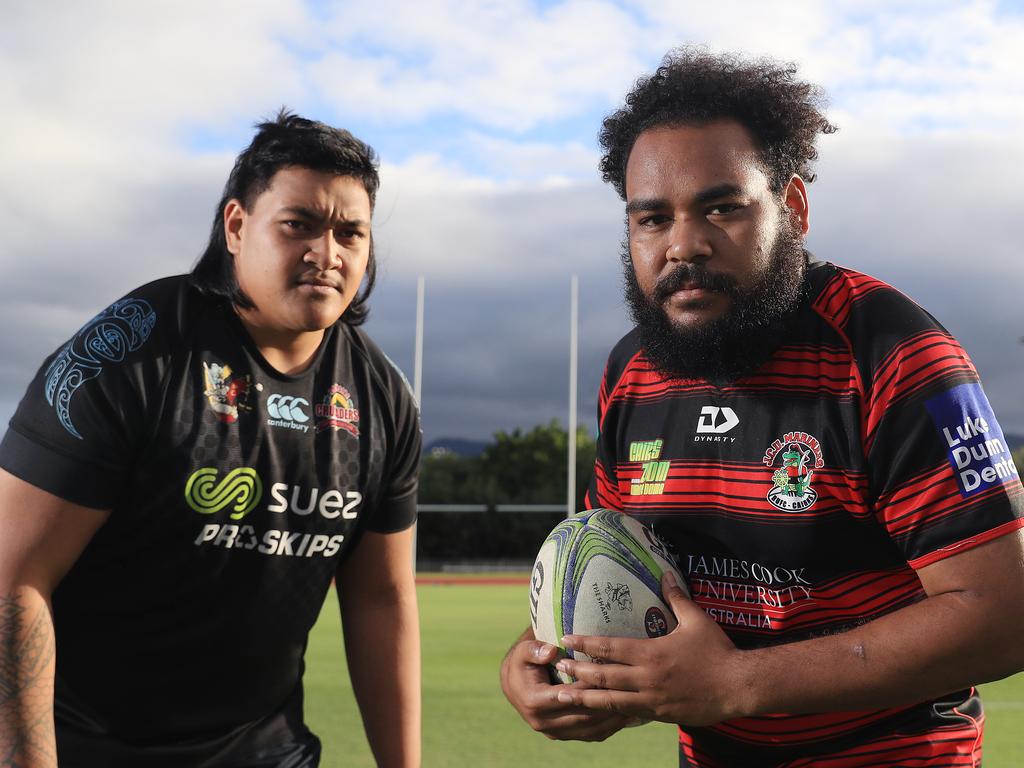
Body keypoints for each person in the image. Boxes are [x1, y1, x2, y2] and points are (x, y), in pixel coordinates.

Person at [501, 48, 1024, 766]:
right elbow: (609, 558)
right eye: (652, 219)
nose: (684, 244)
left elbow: (1005, 613)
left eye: (722, 207)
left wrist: (739, 683)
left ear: (794, 208)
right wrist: (540, 661)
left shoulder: (892, 352)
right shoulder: (632, 371)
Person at [0, 111, 421, 768]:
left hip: (266, 753)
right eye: (298, 224)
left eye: (350, 233)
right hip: (89, 750)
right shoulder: (132, 355)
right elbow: (13, 578)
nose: (326, 252)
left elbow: (381, 596)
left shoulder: (381, 397)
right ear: (235, 226)